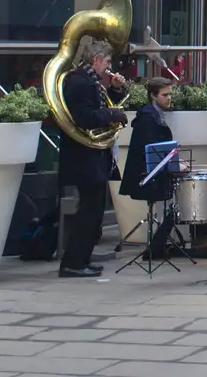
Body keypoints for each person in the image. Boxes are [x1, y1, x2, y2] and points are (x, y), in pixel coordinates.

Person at [56, 36, 129, 278]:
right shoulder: (79, 82)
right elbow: (85, 117)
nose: (110, 66)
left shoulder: (92, 80)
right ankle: (73, 263)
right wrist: (112, 114)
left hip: (92, 155)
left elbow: (104, 104)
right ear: (96, 60)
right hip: (83, 155)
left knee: (94, 210)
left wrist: (116, 89)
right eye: (107, 61)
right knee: (89, 211)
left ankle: (81, 260)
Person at [121, 77, 182, 261]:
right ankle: (156, 246)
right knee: (179, 202)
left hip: (153, 173)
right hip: (147, 176)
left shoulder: (154, 116)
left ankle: (160, 244)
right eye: (165, 95)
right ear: (153, 96)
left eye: (170, 94)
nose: (169, 98)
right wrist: (173, 163)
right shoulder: (148, 119)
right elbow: (153, 148)